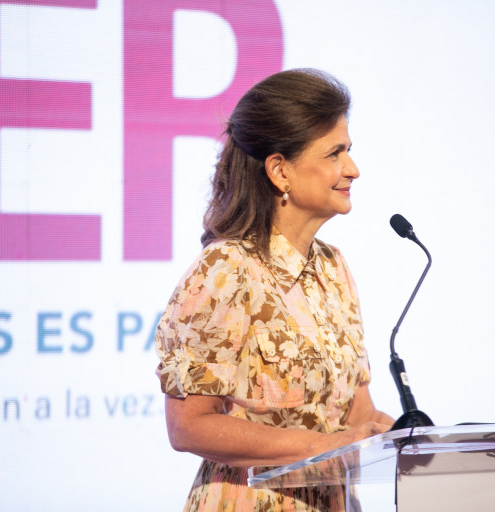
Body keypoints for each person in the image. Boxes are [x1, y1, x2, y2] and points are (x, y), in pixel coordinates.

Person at [154, 68, 394, 511]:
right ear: (280, 170)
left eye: (349, 151)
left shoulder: (334, 268)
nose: (353, 169)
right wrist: (324, 447)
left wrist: (403, 436)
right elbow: (188, 426)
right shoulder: (227, 269)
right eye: (335, 154)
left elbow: (357, 414)